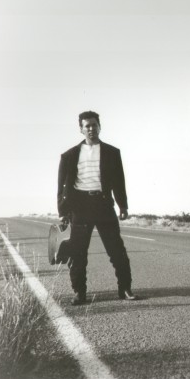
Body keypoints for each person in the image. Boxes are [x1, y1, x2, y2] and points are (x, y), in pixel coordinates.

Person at [57, 111, 138, 305]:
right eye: (87, 126)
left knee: (116, 250)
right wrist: (63, 212)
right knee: (78, 253)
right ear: (81, 129)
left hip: (103, 205)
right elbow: (61, 187)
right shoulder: (68, 156)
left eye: (94, 125)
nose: (91, 129)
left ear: (99, 126)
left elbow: (119, 182)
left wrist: (123, 205)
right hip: (80, 207)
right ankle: (80, 293)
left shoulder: (112, 152)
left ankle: (125, 288)